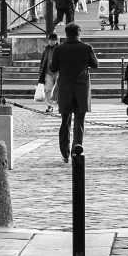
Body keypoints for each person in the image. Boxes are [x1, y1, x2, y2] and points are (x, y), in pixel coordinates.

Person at [49, 21, 99, 161]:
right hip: (82, 89)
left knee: (65, 121)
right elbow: (95, 64)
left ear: (66, 34)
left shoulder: (59, 49)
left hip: (65, 89)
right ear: (79, 33)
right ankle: (76, 151)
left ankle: (65, 153)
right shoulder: (86, 48)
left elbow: (53, 68)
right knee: (79, 122)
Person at [36, 30, 59, 115]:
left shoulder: (60, 48)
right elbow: (43, 61)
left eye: (53, 40)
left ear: (56, 40)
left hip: (58, 72)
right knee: (48, 89)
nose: (51, 42)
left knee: (58, 89)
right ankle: (50, 106)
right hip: (47, 72)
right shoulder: (47, 49)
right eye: (50, 40)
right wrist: (41, 72)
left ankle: (60, 105)